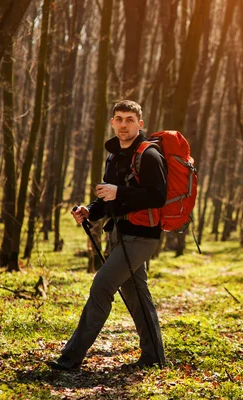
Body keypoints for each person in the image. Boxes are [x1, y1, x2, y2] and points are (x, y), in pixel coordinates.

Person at [48, 100, 167, 371]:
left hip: (142, 237)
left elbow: (157, 196)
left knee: (101, 286)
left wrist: (120, 193)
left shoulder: (149, 155)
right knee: (136, 293)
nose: (123, 124)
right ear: (112, 122)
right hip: (119, 234)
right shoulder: (114, 155)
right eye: (119, 119)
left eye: (129, 119)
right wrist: (88, 210)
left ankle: (71, 356)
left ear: (140, 124)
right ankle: (154, 357)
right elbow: (106, 198)